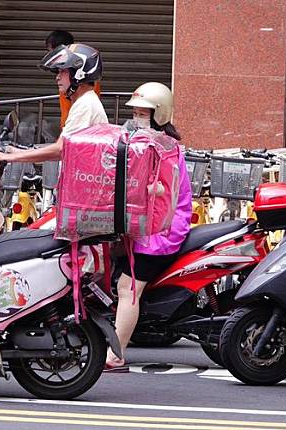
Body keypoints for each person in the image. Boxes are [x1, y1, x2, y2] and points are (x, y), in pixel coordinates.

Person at [104, 82, 192, 370]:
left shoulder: (164, 149)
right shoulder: (146, 143)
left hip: (161, 231)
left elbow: (160, 193)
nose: (138, 118)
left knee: (128, 287)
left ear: (160, 114)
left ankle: (116, 355)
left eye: (144, 113)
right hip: (145, 227)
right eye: (136, 112)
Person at [0, 43, 107, 165]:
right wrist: (18, 152)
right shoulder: (86, 101)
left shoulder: (85, 105)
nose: (57, 77)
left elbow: (60, 149)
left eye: (63, 71)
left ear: (79, 73)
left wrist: (9, 157)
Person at [45, 31, 101, 130]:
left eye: (51, 51)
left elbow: (69, 113)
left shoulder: (84, 99)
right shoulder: (73, 85)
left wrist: (63, 136)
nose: (58, 77)